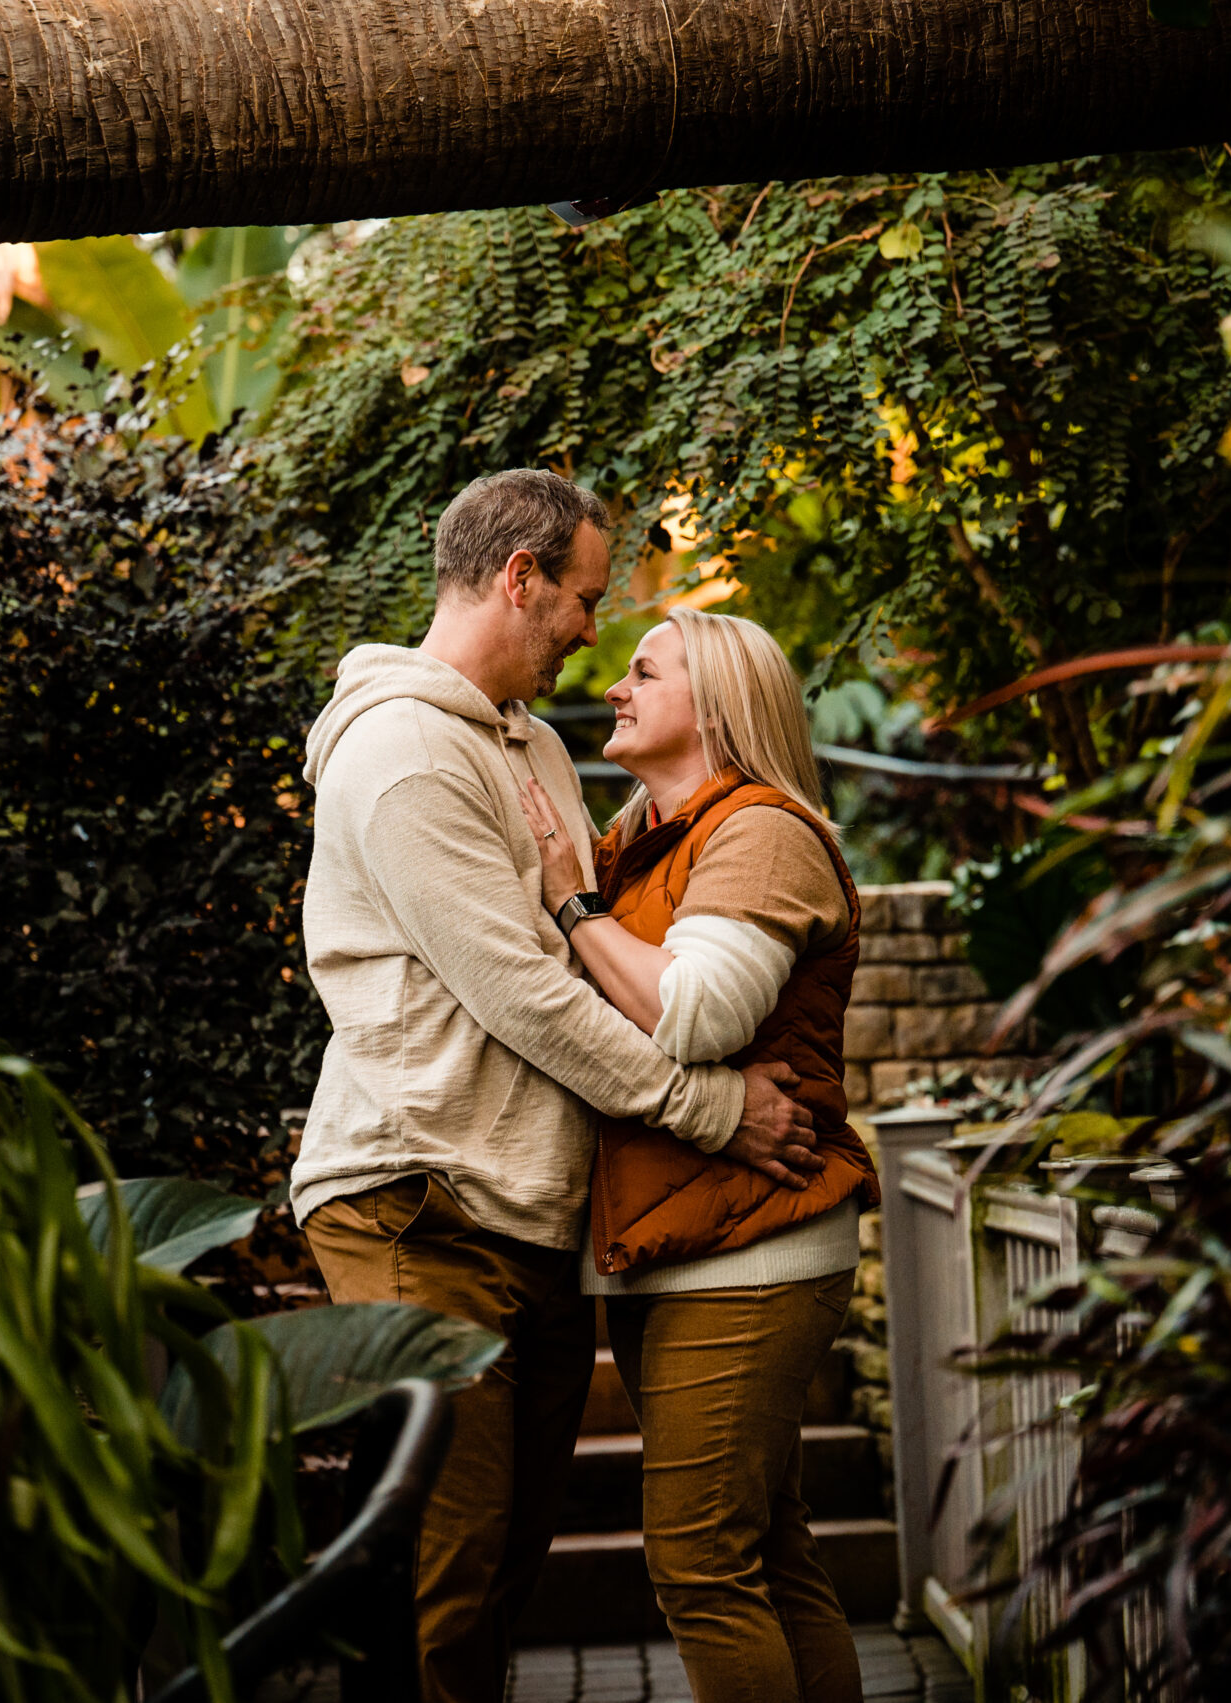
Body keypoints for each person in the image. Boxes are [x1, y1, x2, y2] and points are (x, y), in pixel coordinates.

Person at [289, 471, 825, 1703]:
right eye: (585, 598)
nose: (596, 632)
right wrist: (712, 1108)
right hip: (420, 1195)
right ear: (520, 577)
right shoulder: (404, 751)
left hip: (527, 1213)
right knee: (445, 1572)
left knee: (500, 1572)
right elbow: (521, 992)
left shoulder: (524, 740)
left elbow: (603, 937)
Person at [516, 606, 880, 1703]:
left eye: (644, 670)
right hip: (685, 1239)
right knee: (767, 1552)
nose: (615, 686)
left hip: (749, 1248)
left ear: (716, 705)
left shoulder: (760, 830)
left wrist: (572, 903)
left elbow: (694, 1012)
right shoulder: (653, 841)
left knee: (700, 1567)